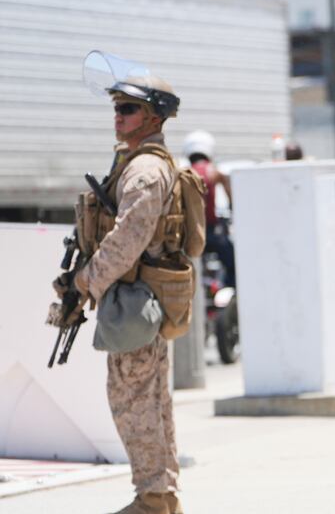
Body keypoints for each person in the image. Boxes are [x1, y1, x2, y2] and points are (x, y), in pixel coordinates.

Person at [64, 54, 192, 514]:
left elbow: (127, 240)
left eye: (127, 109)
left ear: (153, 116)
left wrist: (85, 282)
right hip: (140, 298)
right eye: (116, 107)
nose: (117, 117)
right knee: (150, 399)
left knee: (133, 400)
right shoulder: (138, 162)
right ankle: (160, 494)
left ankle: (154, 497)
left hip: (136, 299)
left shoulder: (144, 169)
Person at [183, 130, 236, 287]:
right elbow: (229, 192)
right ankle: (230, 291)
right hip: (212, 232)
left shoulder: (185, 173)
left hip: (191, 234)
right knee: (233, 263)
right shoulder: (213, 171)